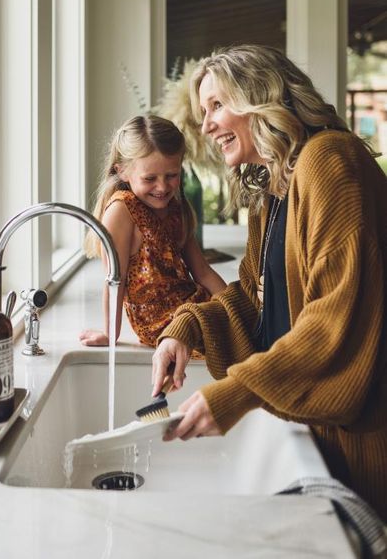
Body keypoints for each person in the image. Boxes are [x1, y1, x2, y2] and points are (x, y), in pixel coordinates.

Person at [151, 45, 387, 521]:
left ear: (260, 94)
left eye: (217, 105)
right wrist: (187, 327)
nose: (207, 125)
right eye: (203, 111)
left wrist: (237, 392)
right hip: (322, 428)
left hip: (365, 437)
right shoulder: (275, 187)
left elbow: (333, 320)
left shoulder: (329, 160)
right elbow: (252, 302)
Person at [79, 114, 226, 349]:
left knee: (247, 317)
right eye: (150, 178)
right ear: (123, 171)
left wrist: (235, 309)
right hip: (164, 327)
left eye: (172, 176)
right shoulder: (121, 211)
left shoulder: (175, 209)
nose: (162, 187)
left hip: (192, 312)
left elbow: (203, 272)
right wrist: (110, 334)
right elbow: (114, 281)